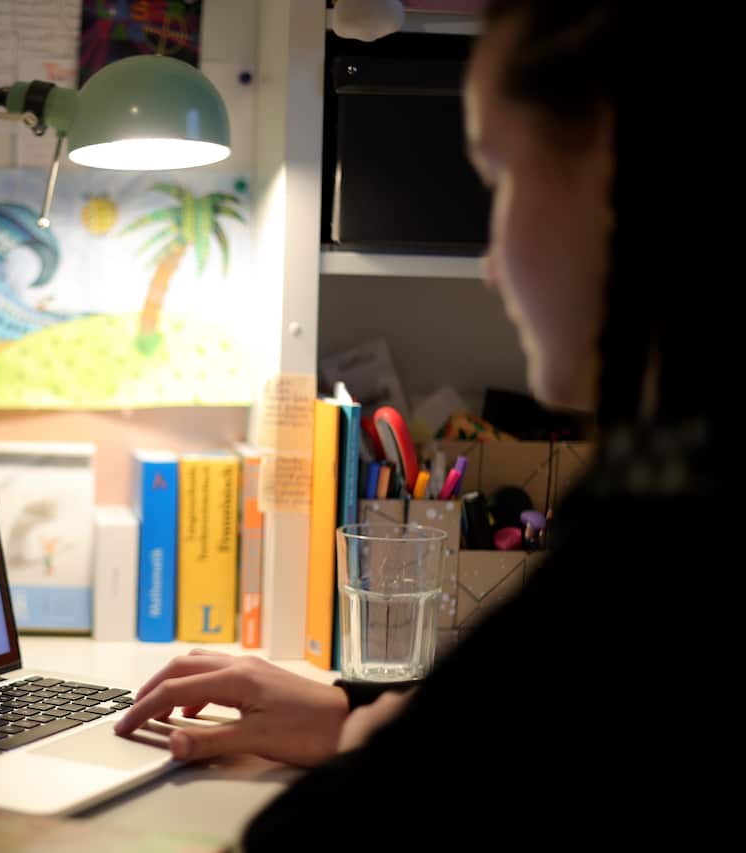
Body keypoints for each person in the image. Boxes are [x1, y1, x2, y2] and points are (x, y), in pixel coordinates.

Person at [114, 1, 727, 841]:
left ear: (630, 172)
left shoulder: (669, 525)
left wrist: (367, 745)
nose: (489, 264)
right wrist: (343, 707)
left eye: (501, 175)